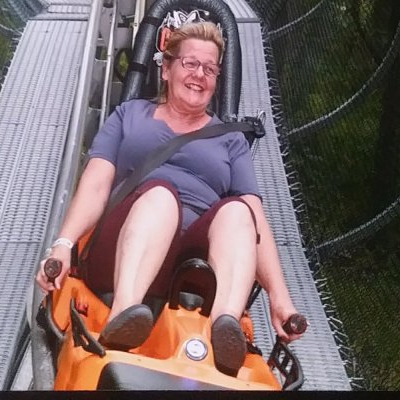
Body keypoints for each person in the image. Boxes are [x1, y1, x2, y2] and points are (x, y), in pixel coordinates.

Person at [34, 21, 302, 377]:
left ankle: (223, 329)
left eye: (209, 69)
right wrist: (63, 245)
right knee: (162, 196)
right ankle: (124, 316)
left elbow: (256, 223)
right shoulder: (129, 116)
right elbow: (96, 184)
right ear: (166, 69)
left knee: (239, 212)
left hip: (191, 268)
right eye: (190, 63)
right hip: (123, 245)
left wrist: (279, 297)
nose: (199, 74)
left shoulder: (231, 141)